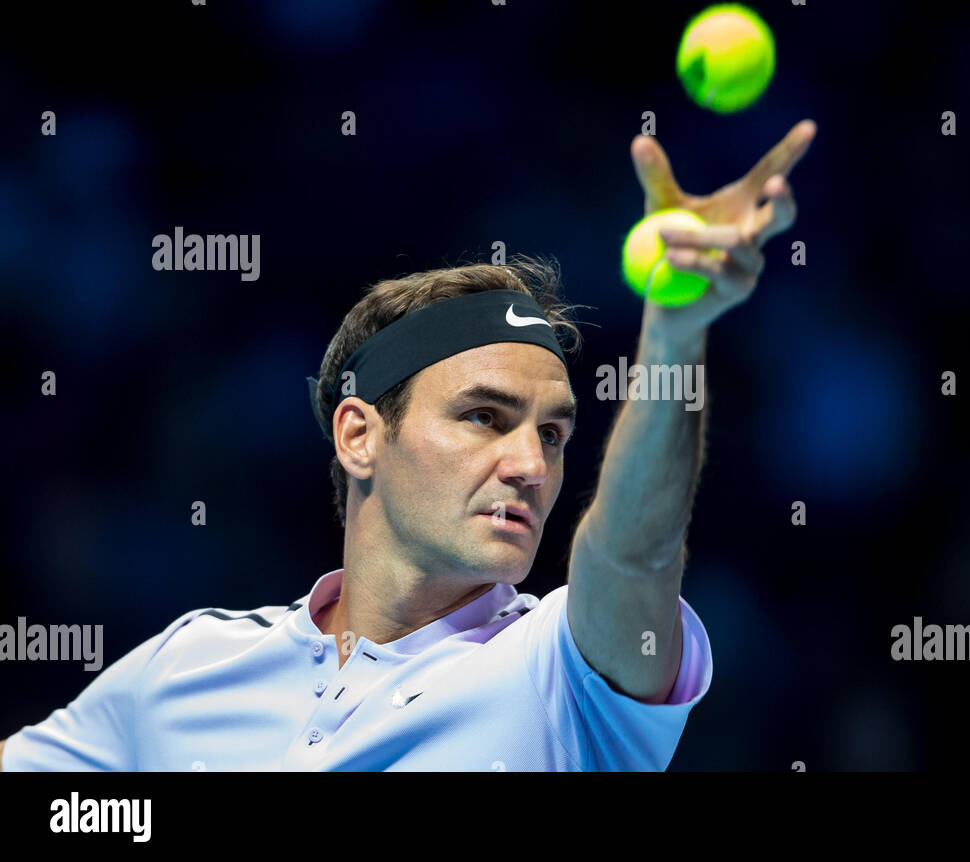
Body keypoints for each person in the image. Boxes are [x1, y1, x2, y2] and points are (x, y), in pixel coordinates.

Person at [0, 120, 816, 771]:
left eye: (554, 433)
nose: (532, 466)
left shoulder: (562, 671)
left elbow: (634, 554)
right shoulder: (188, 667)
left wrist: (676, 336)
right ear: (360, 435)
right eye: (484, 417)